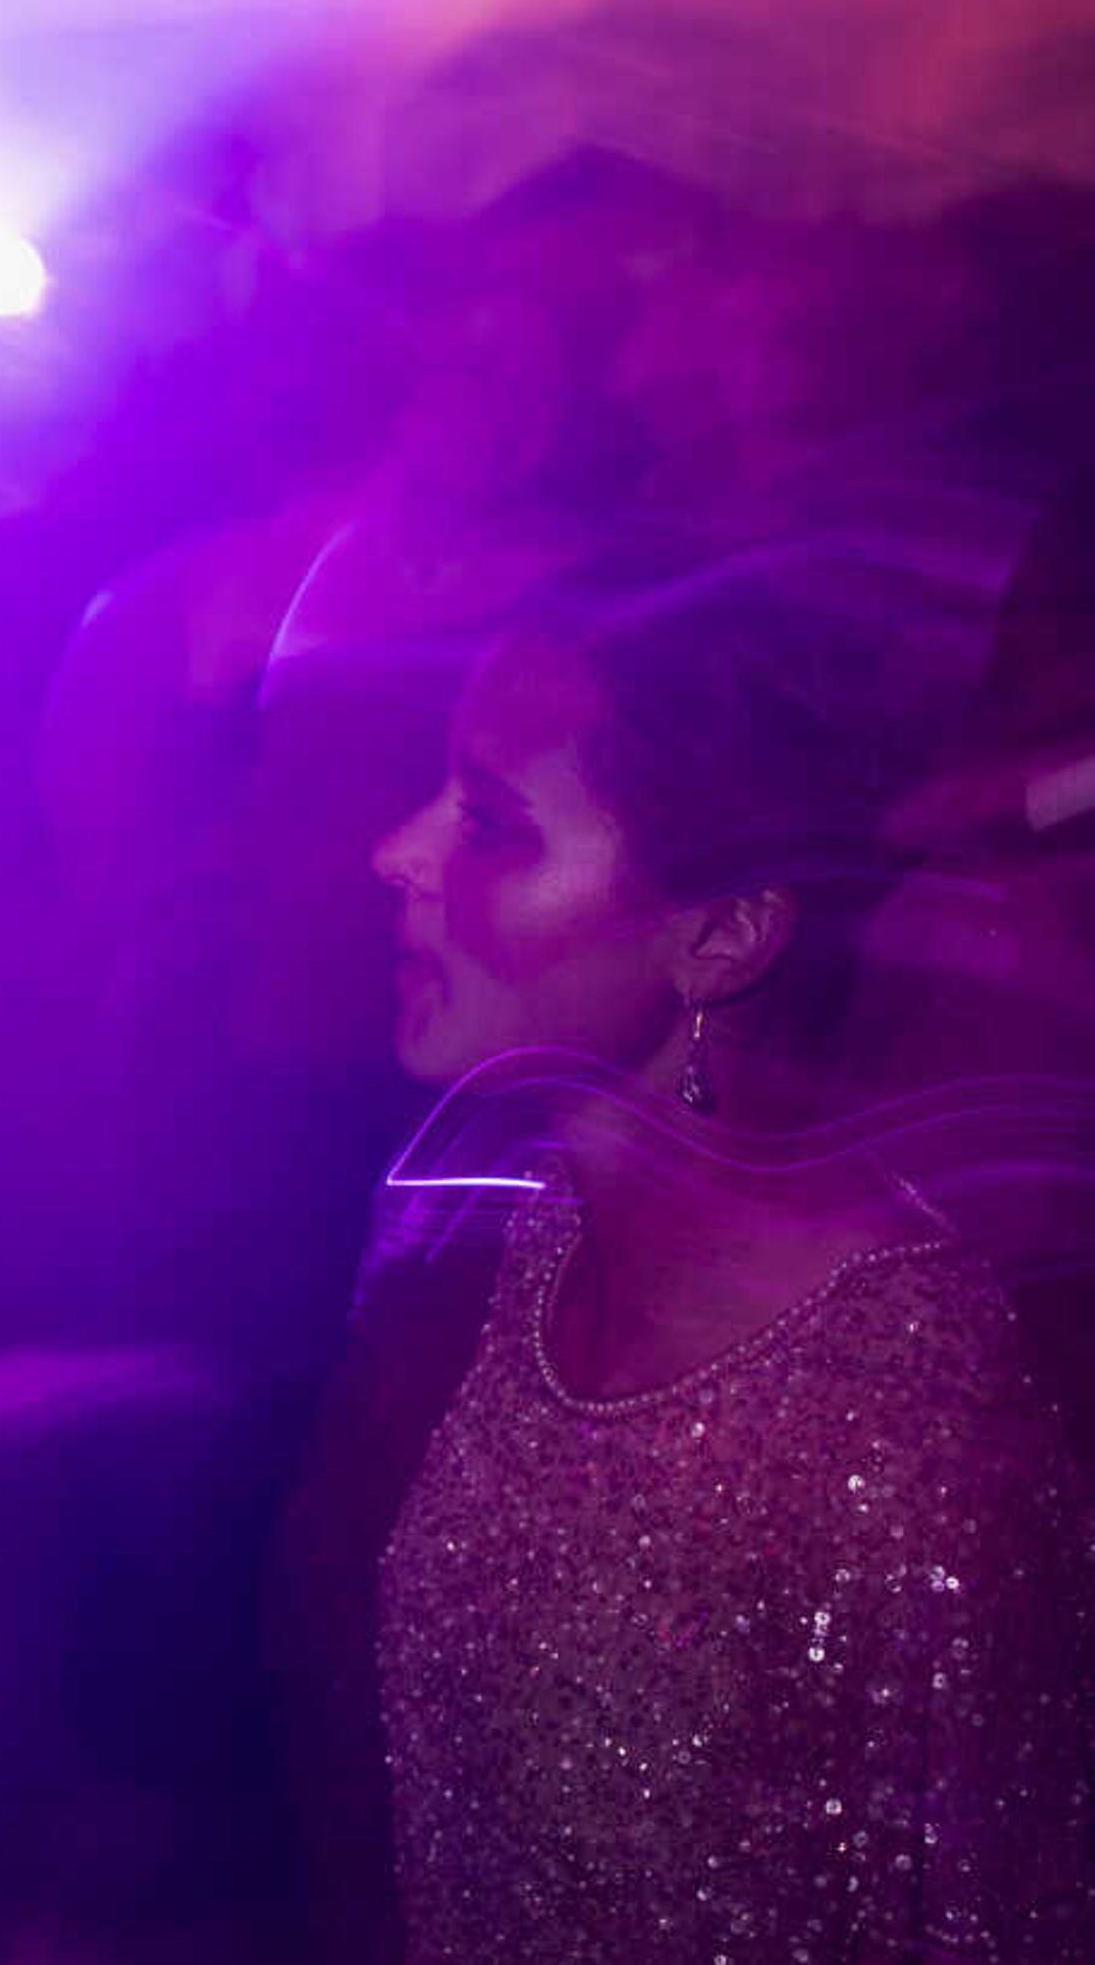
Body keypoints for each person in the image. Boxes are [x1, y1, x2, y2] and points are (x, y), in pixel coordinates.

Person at [274, 539, 1095, 1964]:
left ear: (720, 937)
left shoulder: (916, 1435)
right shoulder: (472, 1244)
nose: (396, 852)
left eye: (491, 822)